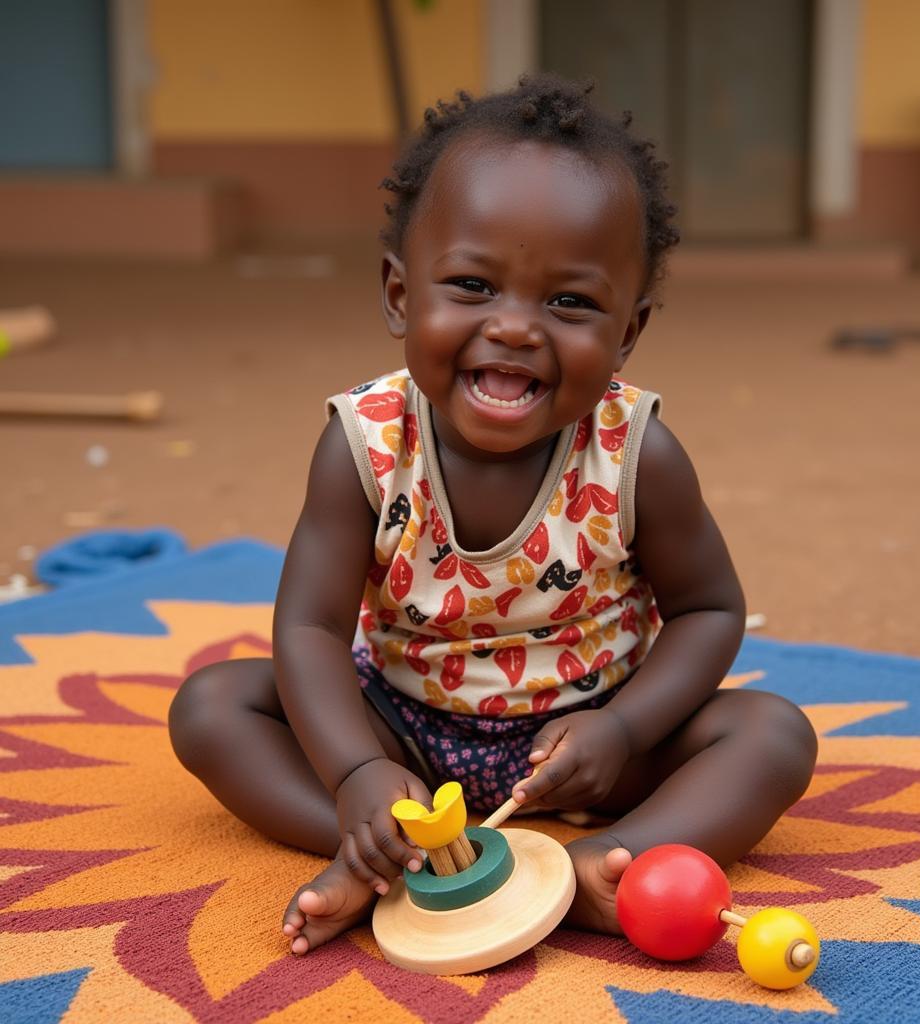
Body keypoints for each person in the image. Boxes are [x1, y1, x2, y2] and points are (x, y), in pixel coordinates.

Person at [168, 74, 817, 957]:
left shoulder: (635, 453)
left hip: (591, 741)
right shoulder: (365, 442)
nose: (514, 328)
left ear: (629, 330)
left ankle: (594, 866)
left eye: (571, 302)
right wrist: (360, 773)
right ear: (401, 294)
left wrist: (622, 728)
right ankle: (386, 849)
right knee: (212, 707)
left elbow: (710, 611)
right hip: (406, 737)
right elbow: (312, 627)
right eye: (472, 285)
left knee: (771, 734)